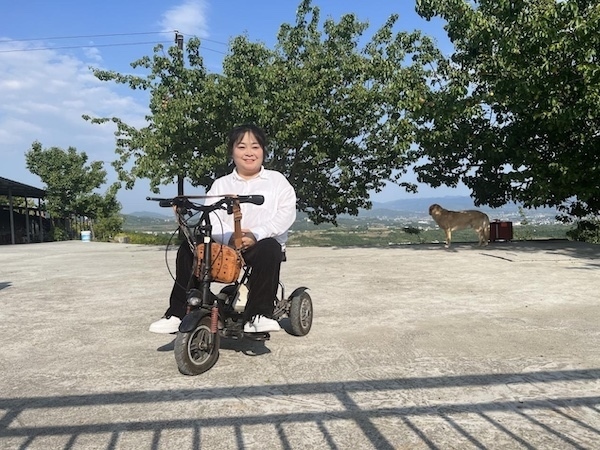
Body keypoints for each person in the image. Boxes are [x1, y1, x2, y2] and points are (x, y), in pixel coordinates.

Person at [149, 123, 297, 334]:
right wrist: (230, 238)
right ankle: (177, 313)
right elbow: (212, 215)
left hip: (261, 244)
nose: (249, 153)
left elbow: (285, 215)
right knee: (190, 248)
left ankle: (258, 315)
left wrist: (255, 235)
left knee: (270, 248)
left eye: (255, 147)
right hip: (227, 244)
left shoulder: (277, 181)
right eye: (241, 147)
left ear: (263, 150)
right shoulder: (221, 184)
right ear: (232, 151)